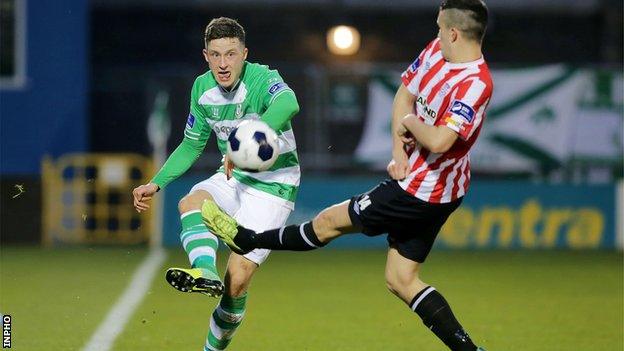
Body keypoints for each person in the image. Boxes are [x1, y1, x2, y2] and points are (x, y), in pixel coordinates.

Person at [201, 1, 492, 350]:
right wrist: (399, 151)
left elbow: (441, 141)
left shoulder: (476, 83)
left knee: (327, 223)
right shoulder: (436, 52)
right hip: (427, 185)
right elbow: (405, 93)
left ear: (455, 33)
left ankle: (249, 239)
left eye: (441, 28)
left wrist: (411, 123)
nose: (437, 35)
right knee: (401, 279)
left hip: (421, 191)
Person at [132, 17, 301, 351]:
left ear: (244, 54)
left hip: (274, 183)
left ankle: (213, 348)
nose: (224, 64)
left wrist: (247, 137)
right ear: (206, 56)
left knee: (237, 281)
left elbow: (289, 103)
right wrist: (156, 182)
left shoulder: (262, 77)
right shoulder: (201, 88)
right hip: (233, 177)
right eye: (216, 55)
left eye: (231, 54)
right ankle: (205, 271)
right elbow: (192, 145)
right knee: (190, 202)